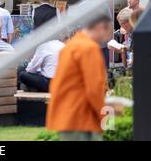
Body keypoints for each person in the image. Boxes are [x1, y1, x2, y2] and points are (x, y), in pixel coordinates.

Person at [46, 12, 112, 141]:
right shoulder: (89, 48)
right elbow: (94, 89)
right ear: (100, 27)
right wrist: (105, 117)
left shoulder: (71, 46)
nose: (107, 37)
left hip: (67, 115)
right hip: (82, 117)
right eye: (108, 31)